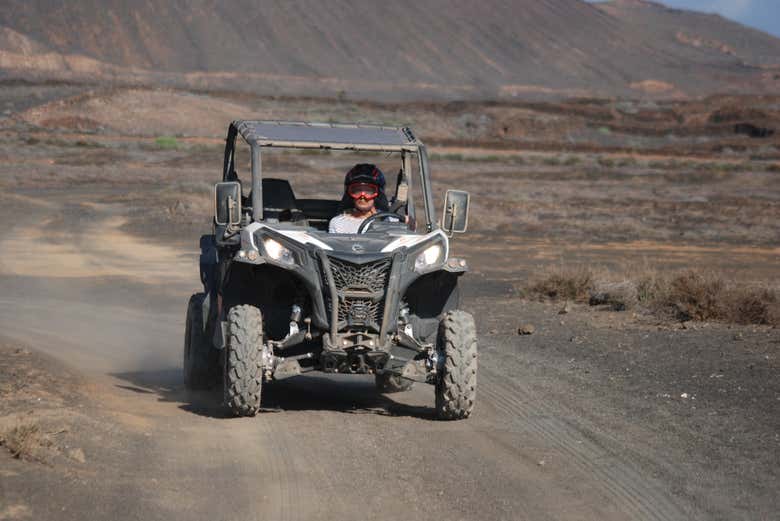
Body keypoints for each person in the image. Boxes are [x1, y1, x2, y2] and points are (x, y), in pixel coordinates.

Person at [329, 164, 390, 234]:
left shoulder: (390, 220)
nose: (362, 196)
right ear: (349, 194)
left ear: (378, 193)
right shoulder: (338, 222)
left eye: (369, 191)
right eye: (357, 191)